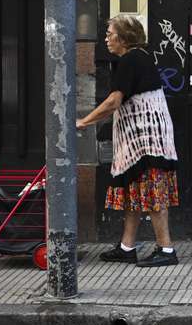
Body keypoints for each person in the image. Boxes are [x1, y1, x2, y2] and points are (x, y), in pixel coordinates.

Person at [77, 15, 180, 267]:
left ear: (123, 38)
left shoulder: (131, 59)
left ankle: (166, 250)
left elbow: (113, 102)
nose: (106, 38)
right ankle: (127, 247)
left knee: (152, 194)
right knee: (134, 193)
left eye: (110, 33)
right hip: (140, 139)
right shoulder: (134, 59)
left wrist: (83, 121)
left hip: (148, 140)